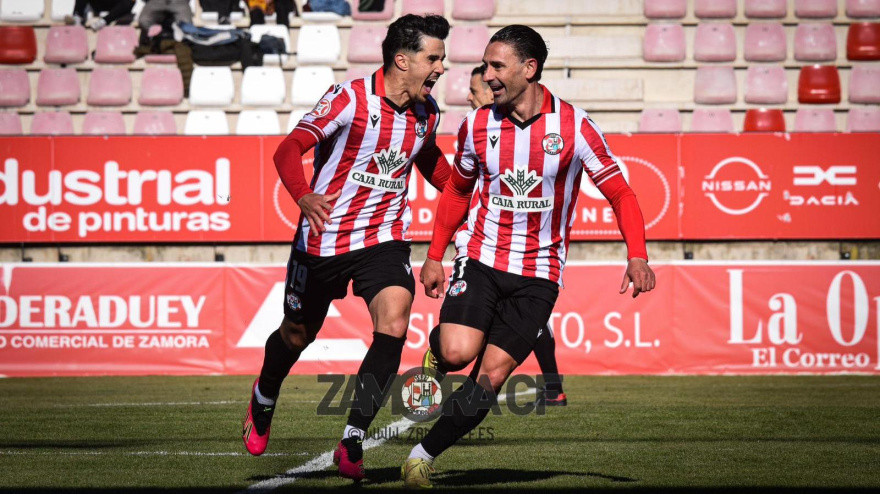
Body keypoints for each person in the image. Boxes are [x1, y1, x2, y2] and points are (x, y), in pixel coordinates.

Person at [401, 25, 656, 488]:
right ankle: (437, 353)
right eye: (488, 65)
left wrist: (636, 255)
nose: (488, 76)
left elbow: (619, 191)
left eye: (498, 67)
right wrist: (436, 254)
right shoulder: (478, 125)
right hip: (481, 258)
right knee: (458, 353)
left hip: (539, 274)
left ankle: (421, 456)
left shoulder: (575, 127)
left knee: (491, 377)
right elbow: (457, 191)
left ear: (529, 69)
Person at [241, 14, 452, 483]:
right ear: (403, 59)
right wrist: (303, 195)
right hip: (324, 238)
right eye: (433, 57)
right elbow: (288, 149)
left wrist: (471, 190)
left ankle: (353, 438)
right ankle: (264, 398)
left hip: (384, 237)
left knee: (395, 321)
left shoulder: (428, 112)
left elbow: (432, 164)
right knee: (296, 336)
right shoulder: (349, 98)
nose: (442, 66)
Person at [465, 63, 569, 406]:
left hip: (510, 248)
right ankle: (552, 388)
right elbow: (456, 185)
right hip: (481, 238)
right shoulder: (475, 127)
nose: (471, 95)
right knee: (504, 325)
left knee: (510, 323)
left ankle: (462, 388)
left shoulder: (549, 127)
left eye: (476, 89)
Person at [67, 0, 135, 30]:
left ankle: (104, 21)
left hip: (116, 5)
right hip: (99, 3)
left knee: (130, 1)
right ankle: (77, 18)